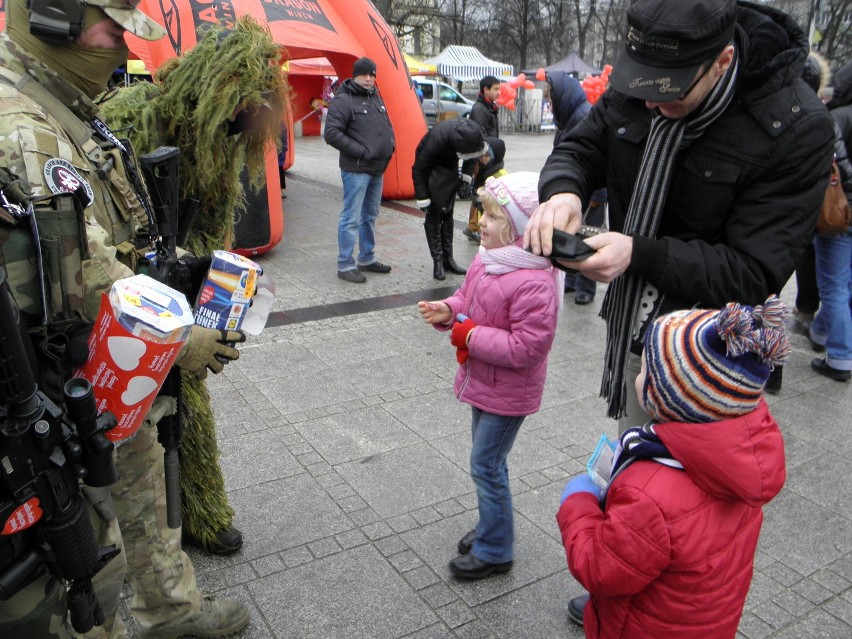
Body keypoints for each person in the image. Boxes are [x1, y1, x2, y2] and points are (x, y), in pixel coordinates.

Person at [0, 1, 249, 636]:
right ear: (54, 17)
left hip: (99, 367)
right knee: (80, 555)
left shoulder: (58, 98)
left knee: (138, 488)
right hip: (61, 386)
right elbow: (80, 273)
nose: (122, 46)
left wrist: (175, 273)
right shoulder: (22, 125)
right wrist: (181, 338)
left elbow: (100, 229)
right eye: (111, 27)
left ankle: (170, 611)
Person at [526, 0, 834, 430]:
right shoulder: (647, 75)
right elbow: (582, 147)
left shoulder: (796, 126)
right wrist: (564, 193)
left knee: (674, 487)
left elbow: (753, 270)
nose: (650, 104)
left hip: (706, 360)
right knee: (635, 463)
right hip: (634, 326)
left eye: (670, 90)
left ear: (722, 61)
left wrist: (640, 255)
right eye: (642, 85)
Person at [99, 16, 290, 556]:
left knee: (189, 406)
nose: (241, 119)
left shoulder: (226, 135)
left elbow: (213, 219)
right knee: (123, 414)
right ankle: (134, 524)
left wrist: (221, 289)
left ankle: (199, 517)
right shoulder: (136, 122)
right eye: (237, 103)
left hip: (175, 294)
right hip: (116, 290)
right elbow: (105, 226)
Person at [557, 296, 789, 638]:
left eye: (646, 371)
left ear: (671, 397)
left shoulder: (650, 495)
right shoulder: (743, 463)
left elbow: (600, 568)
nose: (639, 376)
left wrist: (576, 504)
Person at [417, 172, 561, 579]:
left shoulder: (535, 280)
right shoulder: (488, 260)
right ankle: (490, 523)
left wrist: (472, 334)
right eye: (482, 213)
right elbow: (467, 298)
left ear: (519, 229)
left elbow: (527, 348)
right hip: (485, 381)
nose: (481, 222)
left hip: (509, 391)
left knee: (486, 462)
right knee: (488, 461)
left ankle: (497, 547)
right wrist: (447, 309)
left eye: (494, 217)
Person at [323, 56, 396, 284]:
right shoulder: (344, 100)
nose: (368, 78)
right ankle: (345, 264)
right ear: (354, 76)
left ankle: (366, 258)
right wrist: (362, 151)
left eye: (372, 74)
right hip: (356, 170)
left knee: (370, 216)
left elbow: (387, 126)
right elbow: (332, 133)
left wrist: (390, 143)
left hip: (376, 168)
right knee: (351, 217)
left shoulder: (376, 97)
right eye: (364, 74)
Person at [546, 70, 608, 305]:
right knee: (573, 232)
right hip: (578, 192)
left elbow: (598, 158)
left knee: (588, 237)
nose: (551, 104)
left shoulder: (584, 117)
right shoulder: (569, 117)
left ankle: (586, 287)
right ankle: (572, 280)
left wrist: (599, 196)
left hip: (593, 193)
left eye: (552, 99)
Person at [809, 61, 852, 382]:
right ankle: (821, 332)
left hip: (840, 214)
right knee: (843, 283)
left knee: (834, 285)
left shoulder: (839, 117)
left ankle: (840, 356)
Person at [412, 118, 488, 280]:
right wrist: (423, 196)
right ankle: (438, 261)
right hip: (431, 167)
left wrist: (465, 180)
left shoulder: (472, 134)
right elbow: (419, 168)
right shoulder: (437, 140)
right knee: (433, 214)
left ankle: (448, 259)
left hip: (449, 164)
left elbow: (472, 156)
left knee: (447, 213)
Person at [462, 75, 501, 238]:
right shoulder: (480, 110)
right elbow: (480, 137)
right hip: (484, 157)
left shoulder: (489, 107)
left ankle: (473, 226)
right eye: (496, 89)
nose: (498, 92)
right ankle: (473, 227)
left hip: (490, 155)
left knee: (482, 190)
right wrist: (486, 157)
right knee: (481, 191)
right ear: (486, 90)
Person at [464, 136, 507, 244]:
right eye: (481, 156)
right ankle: (473, 228)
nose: (483, 159)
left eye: (487, 156)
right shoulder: (481, 169)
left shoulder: (500, 176)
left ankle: (474, 228)